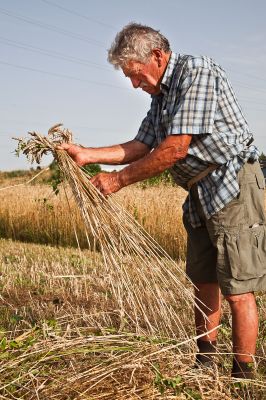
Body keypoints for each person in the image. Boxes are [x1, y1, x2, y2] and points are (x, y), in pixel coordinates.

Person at [59, 23, 266, 379]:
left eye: (135, 75)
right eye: (129, 77)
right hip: (199, 191)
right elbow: (142, 145)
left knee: (238, 286)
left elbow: (174, 149)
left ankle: (242, 375)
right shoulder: (161, 97)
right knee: (203, 281)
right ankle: (204, 365)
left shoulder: (197, 72)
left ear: (156, 56)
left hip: (232, 183)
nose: (134, 84)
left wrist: (119, 179)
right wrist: (86, 153)